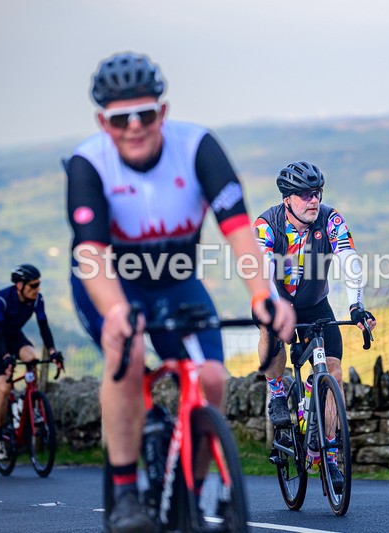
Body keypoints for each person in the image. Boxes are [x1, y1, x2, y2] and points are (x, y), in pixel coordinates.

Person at [64, 52, 295, 533]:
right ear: (103, 123)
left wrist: (262, 296)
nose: (134, 127)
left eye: (145, 114)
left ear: (162, 113)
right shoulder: (90, 163)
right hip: (111, 281)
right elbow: (91, 254)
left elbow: (238, 230)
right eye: (120, 119)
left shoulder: (197, 148)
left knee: (210, 380)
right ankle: (125, 494)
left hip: (176, 280)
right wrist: (117, 312)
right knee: (127, 357)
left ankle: (189, 495)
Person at [254, 161, 377, 491]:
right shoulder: (267, 224)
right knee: (269, 327)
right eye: (306, 195)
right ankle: (277, 391)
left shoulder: (330, 219)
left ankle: (329, 455)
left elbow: (349, 259)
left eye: (317, 193)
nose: (314, 201)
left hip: (314, 303)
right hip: (276, 300)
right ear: (287, 199)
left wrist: (356, 306)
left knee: (333, 371)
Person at [0, 264, 63, 460]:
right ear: (19, 286)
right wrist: (5, 356)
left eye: (39, 284)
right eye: (33, 285)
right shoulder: (1, 300)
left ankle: (28, 403)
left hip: (13, 335)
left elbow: (43, 325)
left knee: (32, 359)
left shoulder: (37, 299)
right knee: (4, 388)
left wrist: (53, 351)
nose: (37, 289)